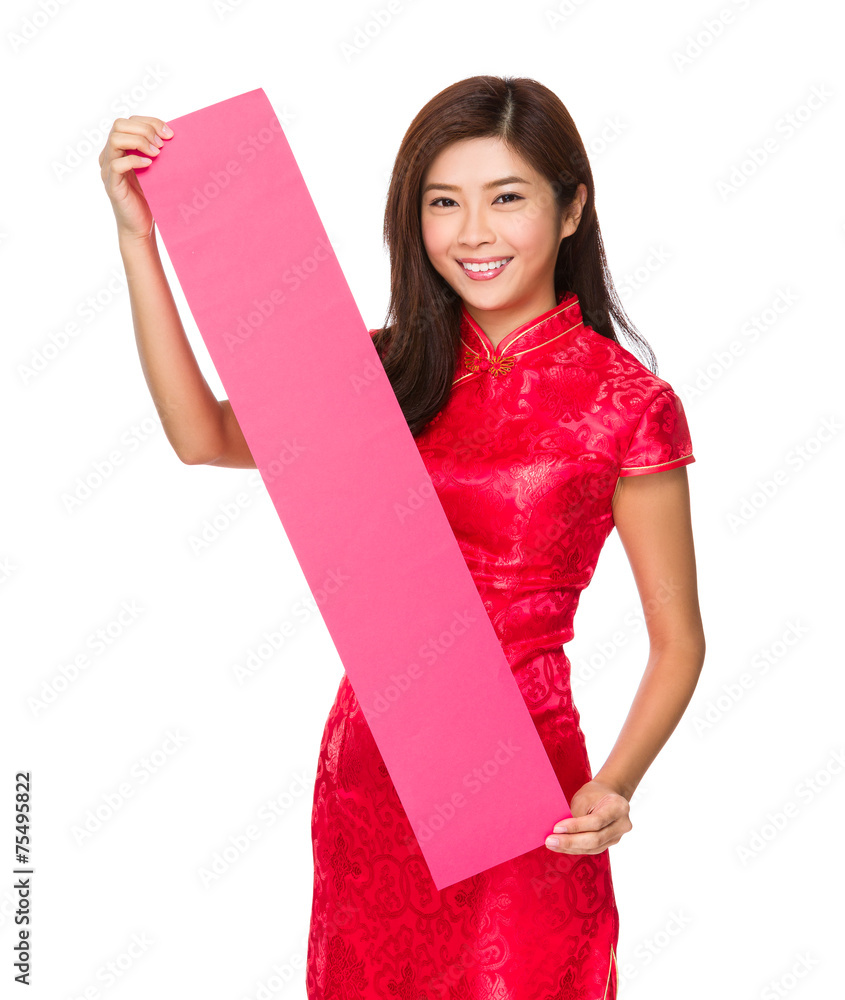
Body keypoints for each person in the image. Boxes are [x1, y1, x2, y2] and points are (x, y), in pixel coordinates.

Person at [99, 74, 705, 1000]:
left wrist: (614, 785)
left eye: (506, 198)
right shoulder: (384, 369)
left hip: (529, 792)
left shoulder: (626, 403)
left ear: (572, 209)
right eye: (442, 203)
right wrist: (140, 239)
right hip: (372, 774)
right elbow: (202, 436)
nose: (473, 233)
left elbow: (677, 640)